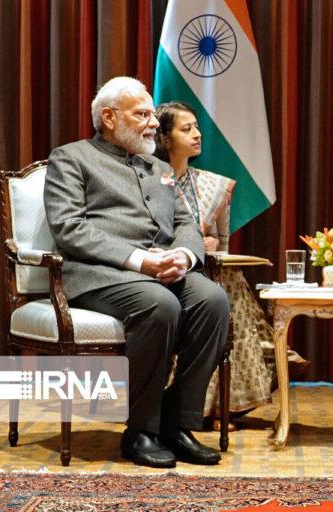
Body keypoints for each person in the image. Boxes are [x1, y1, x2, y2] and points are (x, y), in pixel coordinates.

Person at [44, 77, 230, 469]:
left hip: (162, 270)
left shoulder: (158, 166)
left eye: (151, 113)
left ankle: (177, 423)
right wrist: (141, 261)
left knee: (213, 300)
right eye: (141, 114)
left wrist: (183, 255)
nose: (152, 124)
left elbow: (185, 222)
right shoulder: (71, 157)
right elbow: (69, 228)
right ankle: (140, 430)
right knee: (159, 304)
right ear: (109, 118)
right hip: (99, 274)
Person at [154, 101, 308, 424]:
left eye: (197, 127)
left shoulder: (215, 185)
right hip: (163, 272)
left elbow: (223, 245)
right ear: (165, 139)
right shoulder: (150, 181)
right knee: (219, 291)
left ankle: (217, 404)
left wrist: (208, 245)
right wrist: (192, 244)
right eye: (186, 129)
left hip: (210, 273)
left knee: (227, 283)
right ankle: (184, 404)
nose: (197, 135)